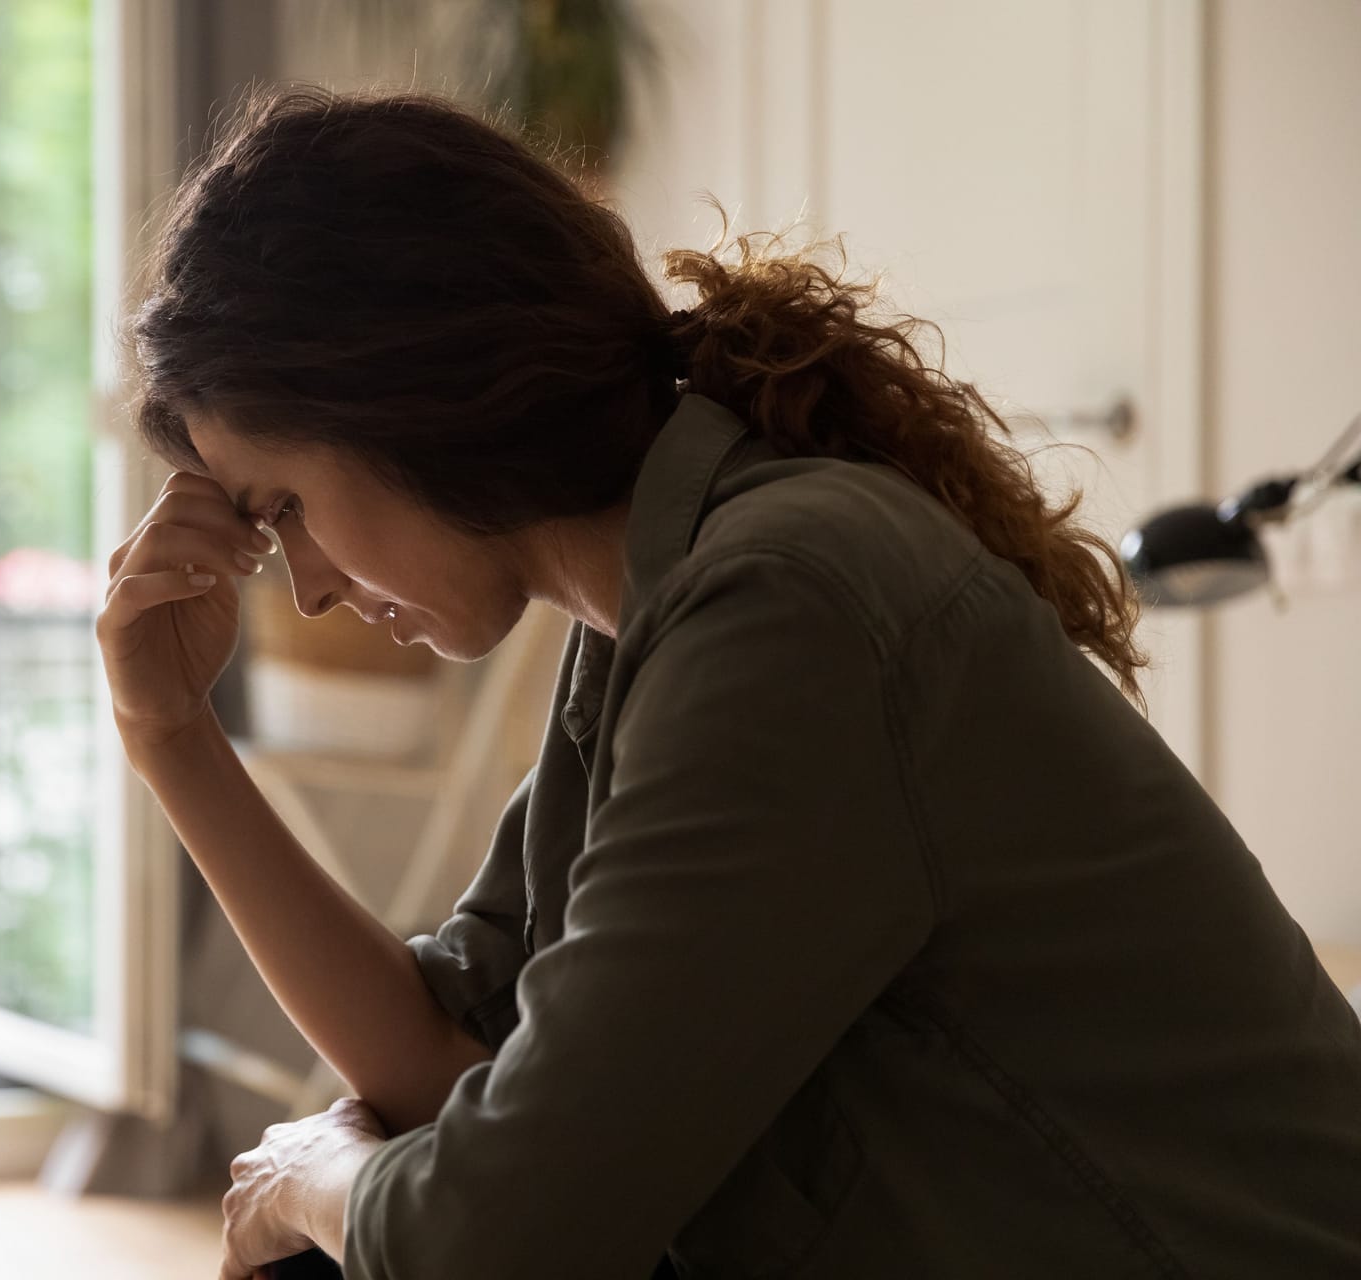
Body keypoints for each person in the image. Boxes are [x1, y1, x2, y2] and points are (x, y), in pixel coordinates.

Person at [98, 84, 1361, 1280]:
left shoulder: (785, 603)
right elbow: (454, 1054)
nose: (306, 587)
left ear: (407, 398)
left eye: (290, 509)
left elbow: (498, 1237)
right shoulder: (649, 618)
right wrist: (170, 734)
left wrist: (316, 1176)